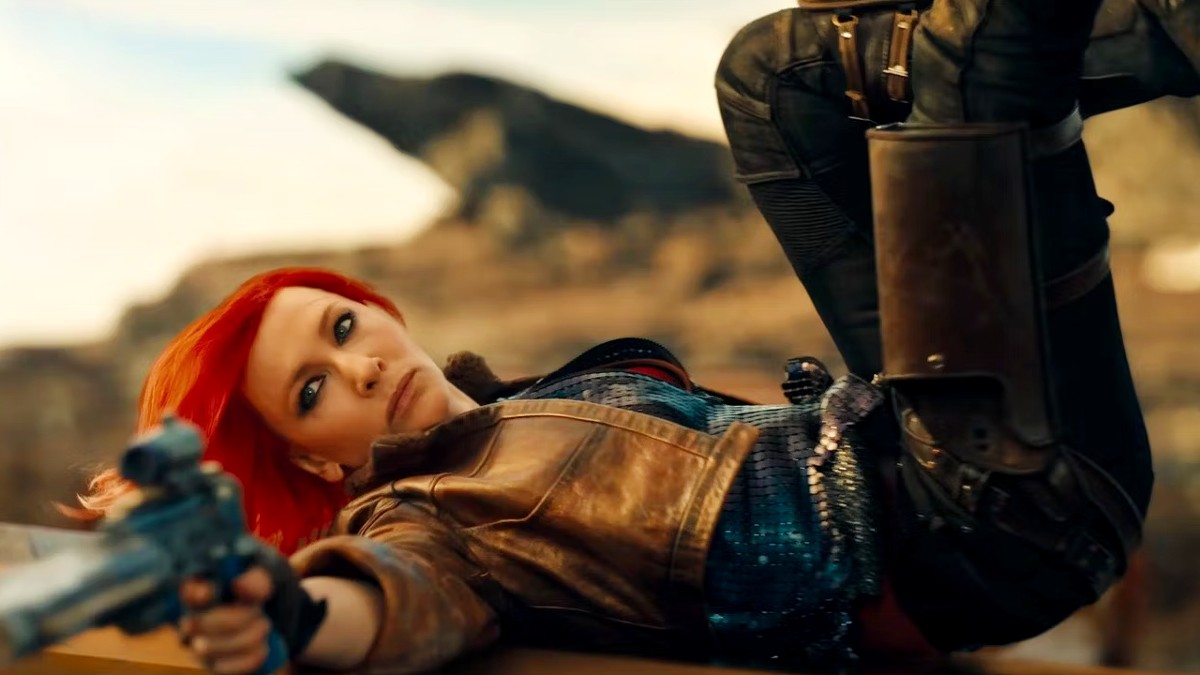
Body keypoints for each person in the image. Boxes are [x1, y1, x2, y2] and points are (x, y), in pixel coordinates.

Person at [77, 267, 934, 674]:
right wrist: (287, 608)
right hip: (912, 543)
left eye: (342, 328)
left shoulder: (530, 402)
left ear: (376, 308)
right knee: (775, 79)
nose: (361, 366)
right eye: (312, 389)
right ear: (308, 453)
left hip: (908, 446)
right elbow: (395, 592)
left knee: (776, 80)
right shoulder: (423, 511)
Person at [714, 0, 1194, 658]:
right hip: (990, 518)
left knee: (772, 77)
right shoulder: (555, 555)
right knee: (979, 50)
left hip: (907, 445)